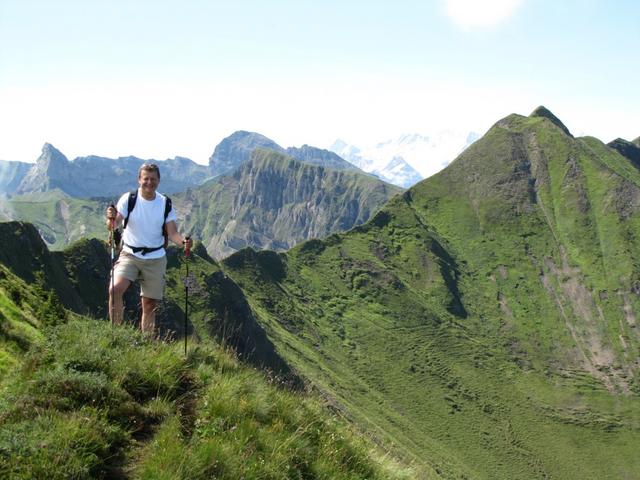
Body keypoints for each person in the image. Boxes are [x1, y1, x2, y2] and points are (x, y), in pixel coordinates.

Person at [106, 163, 192, 334]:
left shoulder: (165, 203)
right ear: (139, 180)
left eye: (153, 179)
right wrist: (111, 218)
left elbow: (173, 233)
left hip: (155, 257)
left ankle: (146, 341)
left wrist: (183, 243)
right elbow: (114, 224)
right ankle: (116, 335)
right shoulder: (129, 199)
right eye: (146, 179)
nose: (149, 182)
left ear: (158, 180)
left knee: (149, 304)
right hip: (130, 254)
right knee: (115, 290)